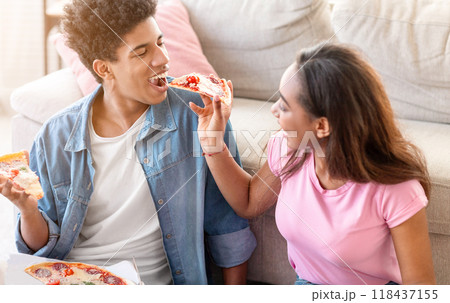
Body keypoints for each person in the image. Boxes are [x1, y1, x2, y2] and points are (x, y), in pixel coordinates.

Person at [0, 0, 256, 285]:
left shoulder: (197, 113)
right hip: (72, 280)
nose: (162, 59)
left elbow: (227, 226)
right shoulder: (55, 134)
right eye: (142, 53)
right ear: (104, 69)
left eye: (160, 43)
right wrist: (28, 210)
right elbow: (40, 248)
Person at [189, 43, 436, 285]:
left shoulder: (395, 188)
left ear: (321, 126)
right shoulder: (290, 150)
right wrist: (212, 142)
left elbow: (421, 288)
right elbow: (249, 202)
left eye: (284, 106)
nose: (274, 110)